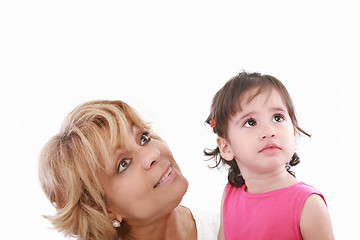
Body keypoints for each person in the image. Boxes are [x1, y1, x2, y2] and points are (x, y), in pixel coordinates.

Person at [38, 100, 219, 240]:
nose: (152, 154)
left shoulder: (232, 230)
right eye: (123, 163)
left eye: (144, 138)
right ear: (102, 209)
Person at [204, 71, 334, 240]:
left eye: (277, 118)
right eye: (250, 122)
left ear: (294, 135)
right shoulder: (230, 194)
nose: (269, 131)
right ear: (226, 147)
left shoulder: (308, 205)